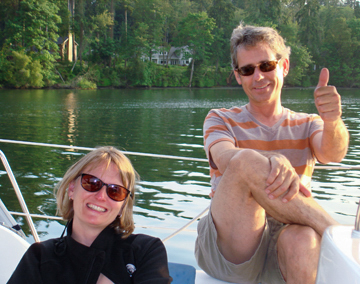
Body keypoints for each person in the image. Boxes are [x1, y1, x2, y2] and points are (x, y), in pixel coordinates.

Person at [195, 25, 349, 284]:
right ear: (238, 76)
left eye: (266, 65)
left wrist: (333, 121)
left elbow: (333, 154)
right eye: (247, 70)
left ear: (284, 66)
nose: (258, 77)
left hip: (287, 239)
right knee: (243, 161)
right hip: (231, 245)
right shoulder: (219, 118)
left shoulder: (308, 123)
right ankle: (341, 237)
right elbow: (226, 158)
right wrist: (273, 160)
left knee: (303, 239)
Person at [8, 146, 171, 284]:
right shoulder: (39, 257)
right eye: (92, 183)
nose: (101, 196)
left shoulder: (145, 251)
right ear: (72, 189)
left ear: (123, 206)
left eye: (115, 191)